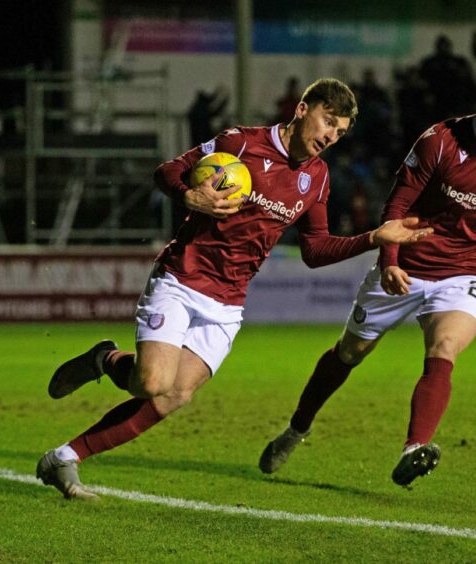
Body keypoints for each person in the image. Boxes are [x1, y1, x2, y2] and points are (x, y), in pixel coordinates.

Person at [36, 78, 433, 500]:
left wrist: (374, 237)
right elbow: (167, 171)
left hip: (228, 302)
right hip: (182, 277)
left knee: (175, 394)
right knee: (152, 382)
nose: (330, 136)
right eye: (327, 121)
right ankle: (105, 358)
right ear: (302, 110)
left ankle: (64, 458)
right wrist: (190, 196)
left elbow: (314, 251)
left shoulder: (316, 178)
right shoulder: (239, 143)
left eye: (339, 132)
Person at [259, 61, 476, 487]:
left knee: (444, 347)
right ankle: (297, 429)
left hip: (464, 272)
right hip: (407, 265)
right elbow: (397, 207)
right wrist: (390, 260)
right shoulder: (440, 140)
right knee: (349, 354)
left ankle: (415, 448)